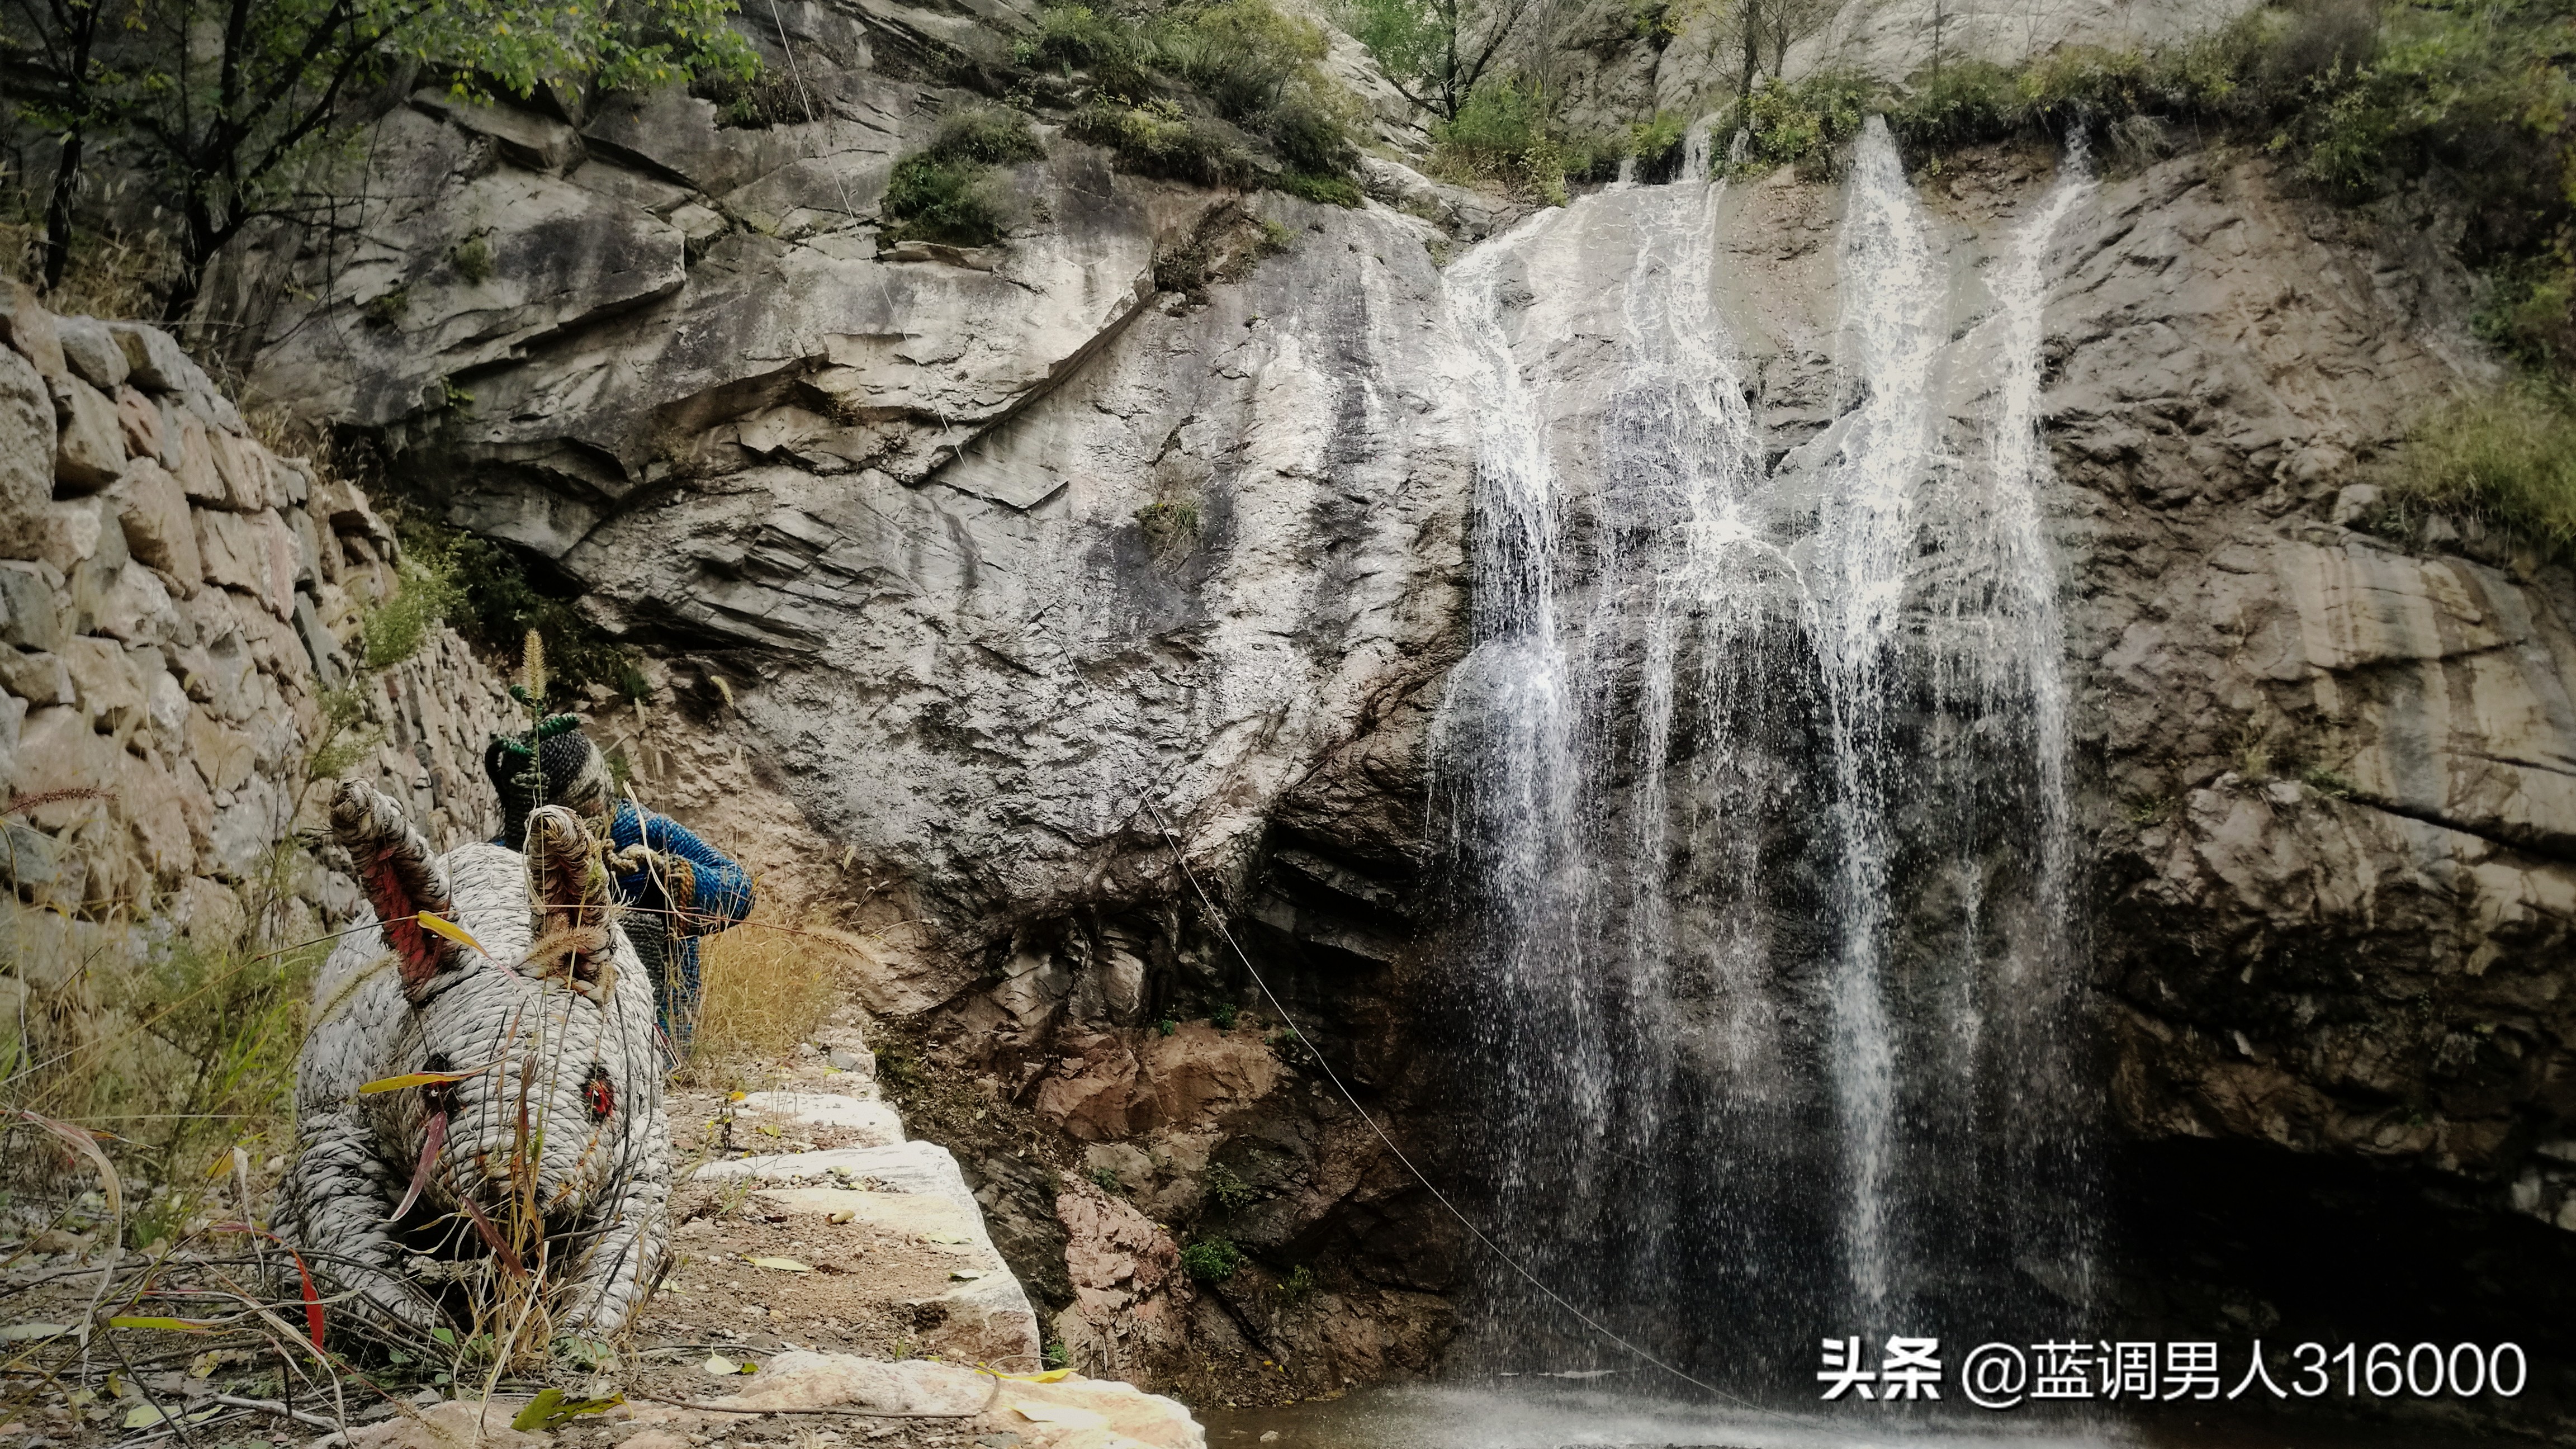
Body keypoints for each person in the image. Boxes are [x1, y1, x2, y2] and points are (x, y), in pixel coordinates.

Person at [485, 721, 753, 1060]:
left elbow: (739, 890)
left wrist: (668, 876)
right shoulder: (502, 861)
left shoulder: (642, 829)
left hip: (659, 1034)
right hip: (549, 1042)